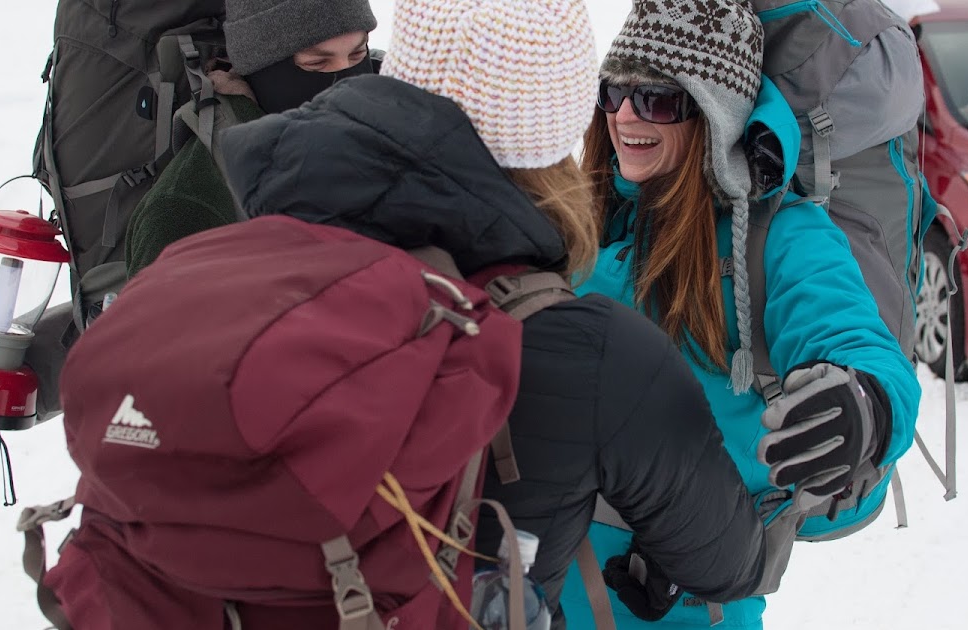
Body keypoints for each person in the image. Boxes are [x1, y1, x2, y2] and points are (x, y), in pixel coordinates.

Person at [217, 0, 766, 625]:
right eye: (611, 95)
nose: (622, 116)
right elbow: (727, 564)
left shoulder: (256, 249)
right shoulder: (594, 352)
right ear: (558, 127)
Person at [559, 0, 922, 628]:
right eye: (613, 92)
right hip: (538, 589)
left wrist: (865, 404)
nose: (624, 116)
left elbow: (859, 343)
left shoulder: (780, 238)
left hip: (687, 605)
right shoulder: (586, 215)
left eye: (658, 100)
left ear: (715, 113)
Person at [123, 0, 380, 278]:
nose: (347, 83)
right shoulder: (184, 207)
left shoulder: (393, 133)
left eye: (357, 55)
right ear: (264, 72)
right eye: (317, 63)